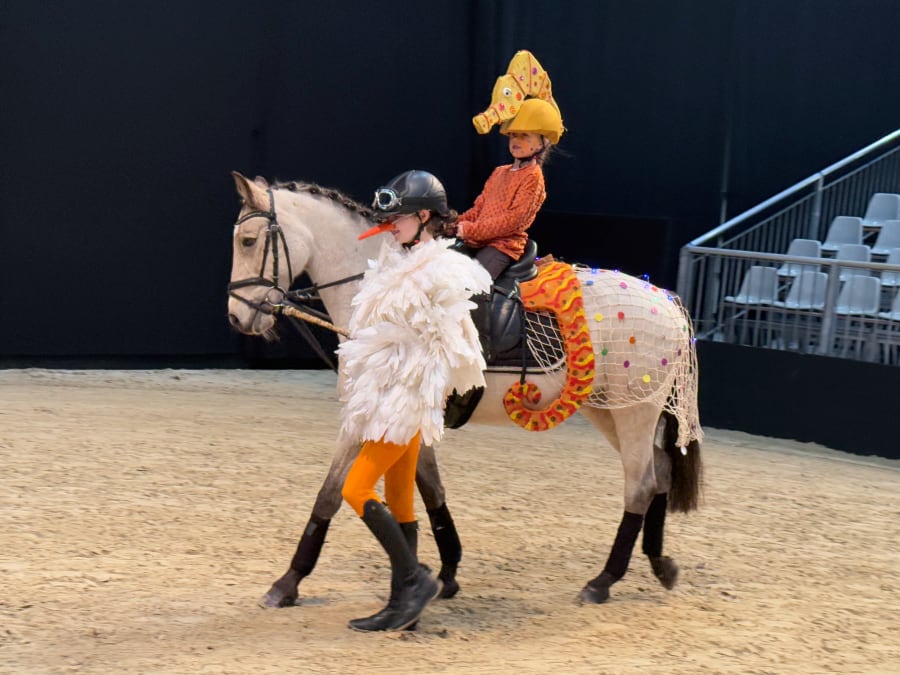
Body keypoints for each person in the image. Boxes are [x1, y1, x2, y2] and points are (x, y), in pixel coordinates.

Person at [338, 170, 492, 632]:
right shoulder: (398, 262)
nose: (390, 226)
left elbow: (448, 339)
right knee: (400, 499)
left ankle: (414, 579)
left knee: (355, 489)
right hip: (392, 390)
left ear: (424, 217)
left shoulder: (440, 269)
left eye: (399, 219)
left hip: (406, 399)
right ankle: (401, 603)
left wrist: (406, 365)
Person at [455, 97, 565, 280]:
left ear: (541, 143)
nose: (516, 140)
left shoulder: (533, 177)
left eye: (525, 136)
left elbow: (512, 221)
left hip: (502, 245)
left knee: (473, 282)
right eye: (513, 135)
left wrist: (469, 230)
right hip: (478, 239)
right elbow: (478, 209)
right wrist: (452, 223)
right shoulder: (499, 172)